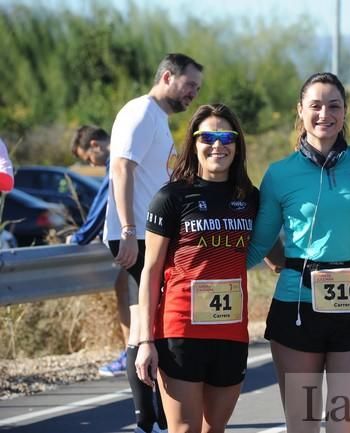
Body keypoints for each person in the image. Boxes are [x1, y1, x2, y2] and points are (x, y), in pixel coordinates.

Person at [246, 72, 350, 433]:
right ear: (300, 110)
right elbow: (261, 244)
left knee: (344, 425)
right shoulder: (279, 174)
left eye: (334, 105)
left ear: (344, 112)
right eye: (315, 105)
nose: (324, 113)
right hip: (296, 306)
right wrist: (206, 273)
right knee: (304, 425)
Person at [134, 103, 257, 433]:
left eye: (226, 136)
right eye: (208, 137)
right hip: (180, 331)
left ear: (237, 143)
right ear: (195, 142)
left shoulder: (251, 197)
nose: (218, 144)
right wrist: (145, 341)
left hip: (231, 330)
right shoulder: (172, 197)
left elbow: (274, 252)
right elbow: (151, 271)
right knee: (185, 429)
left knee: (214, 428)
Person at [104, 53, 203, 433]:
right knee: (148, 324)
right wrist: (128, 230)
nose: (193, 93)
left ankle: (154, 417)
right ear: (166, 76)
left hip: (151, 235)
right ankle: (150, 419)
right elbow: (120, 168)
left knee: (150, 322)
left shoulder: (157, 119)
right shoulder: (140, 113)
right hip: (138, 236)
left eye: (197, 88)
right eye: (189, 84)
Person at [68, 125, 131, 377]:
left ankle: (133, 352)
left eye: (88, 159)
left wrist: (81, 237)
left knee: (125, 288)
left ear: (95, 145)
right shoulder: (128, 149)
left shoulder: (118, 157)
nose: (92, 164)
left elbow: (107, 199)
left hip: (146, 237)